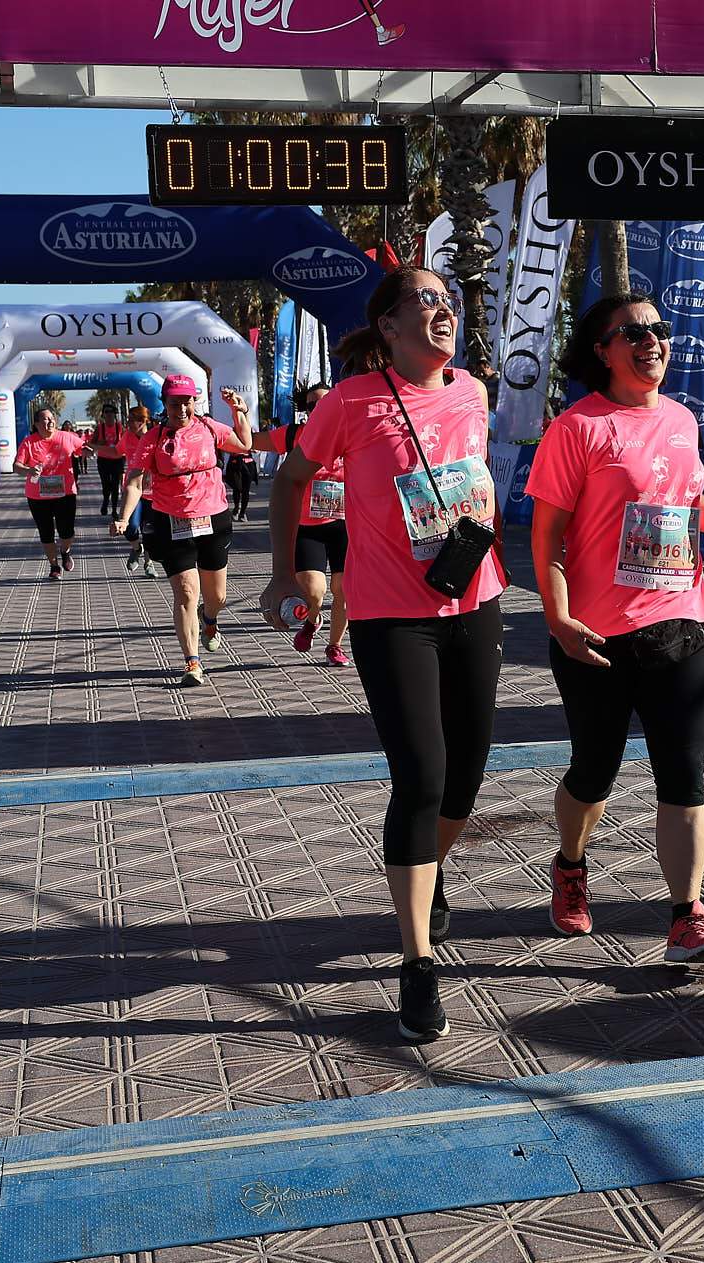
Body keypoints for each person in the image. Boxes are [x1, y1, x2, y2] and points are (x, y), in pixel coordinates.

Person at [262, 267, 505, 1042]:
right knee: (421, 777)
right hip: (391, 614)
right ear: (390, 325)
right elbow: (291, 479)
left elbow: (479, 480)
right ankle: (416, 960)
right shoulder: (349, 401)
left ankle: (424, 880)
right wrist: (277, 572)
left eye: (449, 301)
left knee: (466, 774)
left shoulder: (472, 390)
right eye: (425, 301)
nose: (443, 311)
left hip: (477, 596)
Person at [528, 292, 704, 963]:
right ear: (602, 351)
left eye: (659, 330)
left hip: (682, 619)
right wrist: (559, 617)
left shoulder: (684, 420)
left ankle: (687, 916)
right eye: (633, 332)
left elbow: (683, 502)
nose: (652, 340)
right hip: (594, 634)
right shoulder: (578, 426)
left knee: (684, 775)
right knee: (593, 772)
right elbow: (549, 537)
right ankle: (570, 863)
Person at [112, 377, 254, 683]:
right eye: (175, 402)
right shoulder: (153, 438)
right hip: (171, 521)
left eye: (187, 401)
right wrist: (124, 517)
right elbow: (135, 482)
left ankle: (211, 618)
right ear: (165, 404)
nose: (182, 408)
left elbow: (244, 444)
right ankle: (192, 662)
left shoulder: (209, 428)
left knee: (217, 596)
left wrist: (239, 413)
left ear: (194, 402)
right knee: (187, 592)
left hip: (213, 518)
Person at [266, 383, 351, 666]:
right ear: (306, 410)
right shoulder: (294, 435)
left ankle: (335, 646)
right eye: (313, 405)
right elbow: (245, 441)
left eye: (325, 404)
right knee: (315, 590)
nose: (319, 410)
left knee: (344, 589)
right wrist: (238, 412)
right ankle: (313, 620)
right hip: (307, 525)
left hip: (344, 523)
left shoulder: (350, 432)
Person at [12, 407, 87, 581]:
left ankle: (65, 551)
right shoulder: (29, 443)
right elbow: (16, 466)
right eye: (45, 419)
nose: (50, 421)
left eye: (52, 418)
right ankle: (54, 566)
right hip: (38, 496)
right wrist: (29, 471)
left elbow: (83, 449)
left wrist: (89, 451)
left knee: (66, 532)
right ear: (37, 424)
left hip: (65, 494)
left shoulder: (67, 437)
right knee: (46, 533)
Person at [115, 405, 160, 576]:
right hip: (133, 490)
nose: (128, 423)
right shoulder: (127, 437)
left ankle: (149, 564)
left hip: (154, 492)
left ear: (142, 421)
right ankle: (136, 548)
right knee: (130, 527)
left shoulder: (157, 436)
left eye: (132, 420)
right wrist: (94, 447)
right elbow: (116, 451)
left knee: (148, 529)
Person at [91, 404, 129, 520]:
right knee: (106, 484)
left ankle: (113, 510)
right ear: (103, 415)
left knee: (115, 485)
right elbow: (93, 443)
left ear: (114, 415)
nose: (109, 415)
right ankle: (105, 500)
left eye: (111, 412)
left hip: (117, 459)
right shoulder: (100, 428)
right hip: (104, 460)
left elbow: (126, 441)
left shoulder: (119, 427)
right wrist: (100, 444)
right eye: (107, 412)